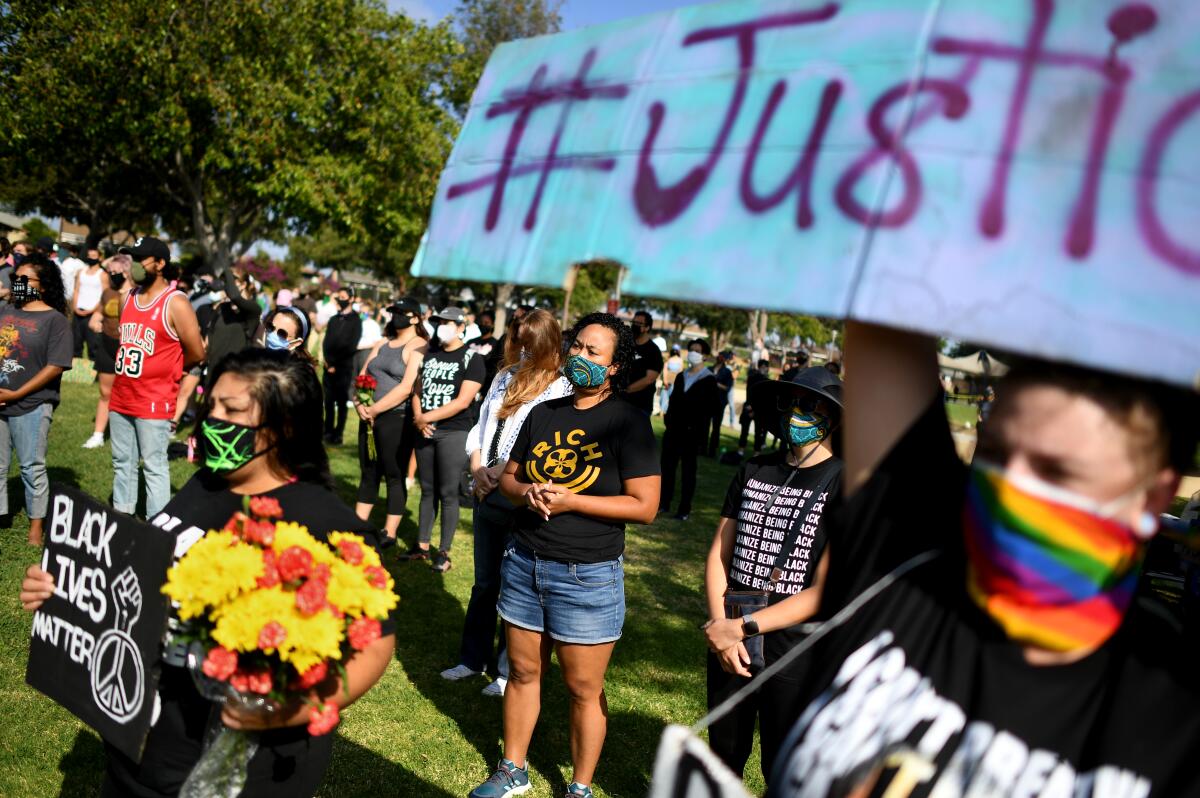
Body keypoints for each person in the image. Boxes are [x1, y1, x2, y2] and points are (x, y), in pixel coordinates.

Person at [742, 322, 1200, 795]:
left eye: (1055, 471)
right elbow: (888, 301)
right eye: (996, 452)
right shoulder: (909, 554)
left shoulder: (1174, 717)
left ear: (1152, 496)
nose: (1010, 488)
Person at [20, 348, 395, 797]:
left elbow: (374, 647)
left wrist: (285, 711)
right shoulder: (205, 484)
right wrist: (72, 588)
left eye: (233, 410)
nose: (213, 418)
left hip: (232, 772)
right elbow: (144, 576)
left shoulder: (323, 522)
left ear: (286, 426)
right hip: (141, 745)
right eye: (210, 404)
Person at [472, 312, 660, 798]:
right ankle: (512, 768)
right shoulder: (544, 412)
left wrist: (573, 499)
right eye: (576, 347)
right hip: (525, 561)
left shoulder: (628, 423)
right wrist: (526, 490)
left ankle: (579, 786)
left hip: (587, 575)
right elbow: (509, 480)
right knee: (523, 673)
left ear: (615, 367)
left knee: (583, 689)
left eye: (593, 352)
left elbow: (645, 506)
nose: (579, 357)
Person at [702, 367, 844, 779]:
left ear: (833, 416)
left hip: (795, 646)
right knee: (724, 755)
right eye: (791, 402)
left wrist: (741, 628)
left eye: (811, 404)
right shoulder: (754, 468)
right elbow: (718, 556)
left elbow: (825, 590)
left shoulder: (846, 483)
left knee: (782, 764)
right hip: (730, 635)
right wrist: (720, 627)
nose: (798, 412)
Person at [441, 309, 573, 697]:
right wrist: (478, 464)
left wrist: (502, 472)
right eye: (517, 339)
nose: (523, 348)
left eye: (531, 341)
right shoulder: (503, 377)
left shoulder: (558, 387)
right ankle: (471, 659)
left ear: (548, 342)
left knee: (517, 589)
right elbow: (482, 425)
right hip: (487, 488)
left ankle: (506, 670)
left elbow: (542, 442)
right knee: (484, 582)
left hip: (520, 492)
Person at [108, 236, 205, 518]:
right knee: (122, 461)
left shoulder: (175, 302)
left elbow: (197, 352)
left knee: (153, 465)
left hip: (153, 399)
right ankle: (121, 517)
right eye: (132, 259)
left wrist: (170, 367)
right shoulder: (129, 297)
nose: (134, 266)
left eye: (141, 260)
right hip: (121, 396)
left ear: (160, 264)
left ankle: (157, 528)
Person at [0, 254, 72, 545]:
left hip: (32, 403)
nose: (17, 283)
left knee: (31, 466)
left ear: (42, 286)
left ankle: (35, 527)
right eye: (15, 277)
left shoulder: (55, 320)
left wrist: (17, 393)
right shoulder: (5, 310)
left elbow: (56, 366)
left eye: (24, 279)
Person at [410, 306, 485, 571]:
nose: (443, 326)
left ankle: (443, 552)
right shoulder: (430, 354)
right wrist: (419, 417)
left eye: (449, 322)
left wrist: (425, 419)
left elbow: (463, 401)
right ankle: (421, 545)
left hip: (453, 431)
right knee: (427, 490)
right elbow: (416, 389)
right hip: (424, 429)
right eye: (440, 321)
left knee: (448, 492)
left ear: (461, 327)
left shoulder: (472, 359)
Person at [354, 298, 427, 546]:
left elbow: (407, 387)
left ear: (415, 317)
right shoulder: (382, 342)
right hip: (368, 416)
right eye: (393, 311)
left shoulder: (418, 346)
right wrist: (360, 404)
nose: (395, 315)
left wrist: (374, 409)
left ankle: (390, 532)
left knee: (393, 473)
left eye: (401, 312)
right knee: (368, 471)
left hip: (396, 419)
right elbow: (363, 374)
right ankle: (358, 524)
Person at [659, 339, 718, 521]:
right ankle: (664, 503)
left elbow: (709, 411)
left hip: (692, 434)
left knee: (688, 472)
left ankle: (684, 509)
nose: (693, 352)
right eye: (691, 349)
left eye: (697, 350)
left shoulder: (709, 380)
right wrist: (669, 420)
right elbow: (674, 402)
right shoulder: (681, 376)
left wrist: (701, 436)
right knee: (667, 468)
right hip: (674, 431)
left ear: (705, 356)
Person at [82, 254, 132, 449]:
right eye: (109, 271)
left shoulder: (137, 294)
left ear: (127, 272)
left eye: (115, 272)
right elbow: (99, 313)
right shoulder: (108, 292)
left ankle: (129, 435)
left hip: (127, 348)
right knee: (105, 392)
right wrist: (95, 321)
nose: (111, 275)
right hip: (107, 345)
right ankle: (98, 434)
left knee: (129, 392)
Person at [205, 266, 262, 380]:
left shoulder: (253, 310)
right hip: (213, 372)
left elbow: (234, 295)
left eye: (232, 280)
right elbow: (209, 338)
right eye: (226, 281)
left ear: (243, 284)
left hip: (235, 375)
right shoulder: (221, 308)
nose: (227, 284)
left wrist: (226, 268)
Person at [321, 285, 362, 445]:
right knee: (329, 402)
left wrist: (336, 364)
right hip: (328, 366)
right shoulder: (333, 319)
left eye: (344, 297)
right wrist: (327, 361)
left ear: (351, 299)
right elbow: (326, 342)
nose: (340, 300)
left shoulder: (356, 321)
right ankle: (328, 431)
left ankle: (338, 433)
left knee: (341, 402)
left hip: (343, 367)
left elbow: (351, 345)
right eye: (339, 297)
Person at [621, 310, 663, 416]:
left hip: (640, 405)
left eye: (639, 324)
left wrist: (626, 390)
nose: (635, 326)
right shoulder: (626, 345)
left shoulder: (653, 351)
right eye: (633, 322)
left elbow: (649, 379)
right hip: (620, 402)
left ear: (647, 328)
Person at [70, 246, 107, 359]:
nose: (91, 258)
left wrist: (93, 310)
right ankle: (75, 373)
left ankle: (93, 374)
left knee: (93, 347)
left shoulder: (103, 274)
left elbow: (104, 295)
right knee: (75, 345)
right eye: (89, 256)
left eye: (94, 256)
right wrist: (75, 307)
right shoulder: (81, 272)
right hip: (78, 313)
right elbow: (76, 290)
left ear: (100, 258)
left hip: (92, 315)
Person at [738, 359, 772, 456]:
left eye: (766, 367)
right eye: (762, 366)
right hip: (749, 407)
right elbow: (749, 392)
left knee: (759, 433)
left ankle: (756, 453)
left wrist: (756, 409)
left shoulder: (768, 381)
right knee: (744, 431)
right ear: (759, 367)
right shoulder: (752, 378)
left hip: (760, 410)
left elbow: (766, 398)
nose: (764, 369)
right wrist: (750, 406)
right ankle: (741, 450)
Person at [708, 350, 735, 457]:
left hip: (719, 402)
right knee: (704, 425)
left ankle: (712, 450)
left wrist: (716, 383)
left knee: (716, 427)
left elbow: (728, 388)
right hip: (708, 401)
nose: (719, 358)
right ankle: (701, 447)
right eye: (719, 356)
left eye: (722, 357)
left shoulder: (727, 372)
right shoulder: (709, 369)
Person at [660, 344, 683, 416]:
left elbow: (680, 370)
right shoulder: (671, 359)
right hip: (670, 380)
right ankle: (663, 411)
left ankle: (666, 412)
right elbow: (665, 370)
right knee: (666, 396)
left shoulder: (676, 360)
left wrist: (665, 380)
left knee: (669, 396)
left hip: (673, 380)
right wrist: (665, 380)